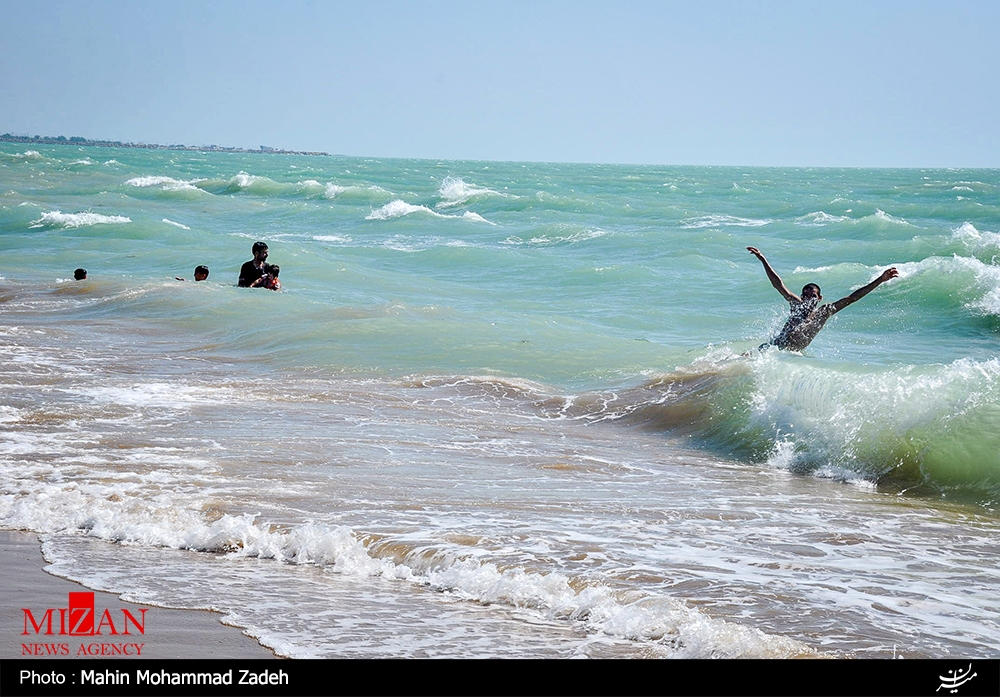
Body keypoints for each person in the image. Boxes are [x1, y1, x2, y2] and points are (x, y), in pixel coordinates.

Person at [747, 246, 898, 351]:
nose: (808, 299)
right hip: (773, 348)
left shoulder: (824, 312)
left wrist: (880, 280)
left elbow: (852, 298)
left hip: (790, 357)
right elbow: (778, 284)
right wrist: (762, 259)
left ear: (819, 298)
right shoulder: (796, 305)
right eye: (805, 296)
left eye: (812, 296)